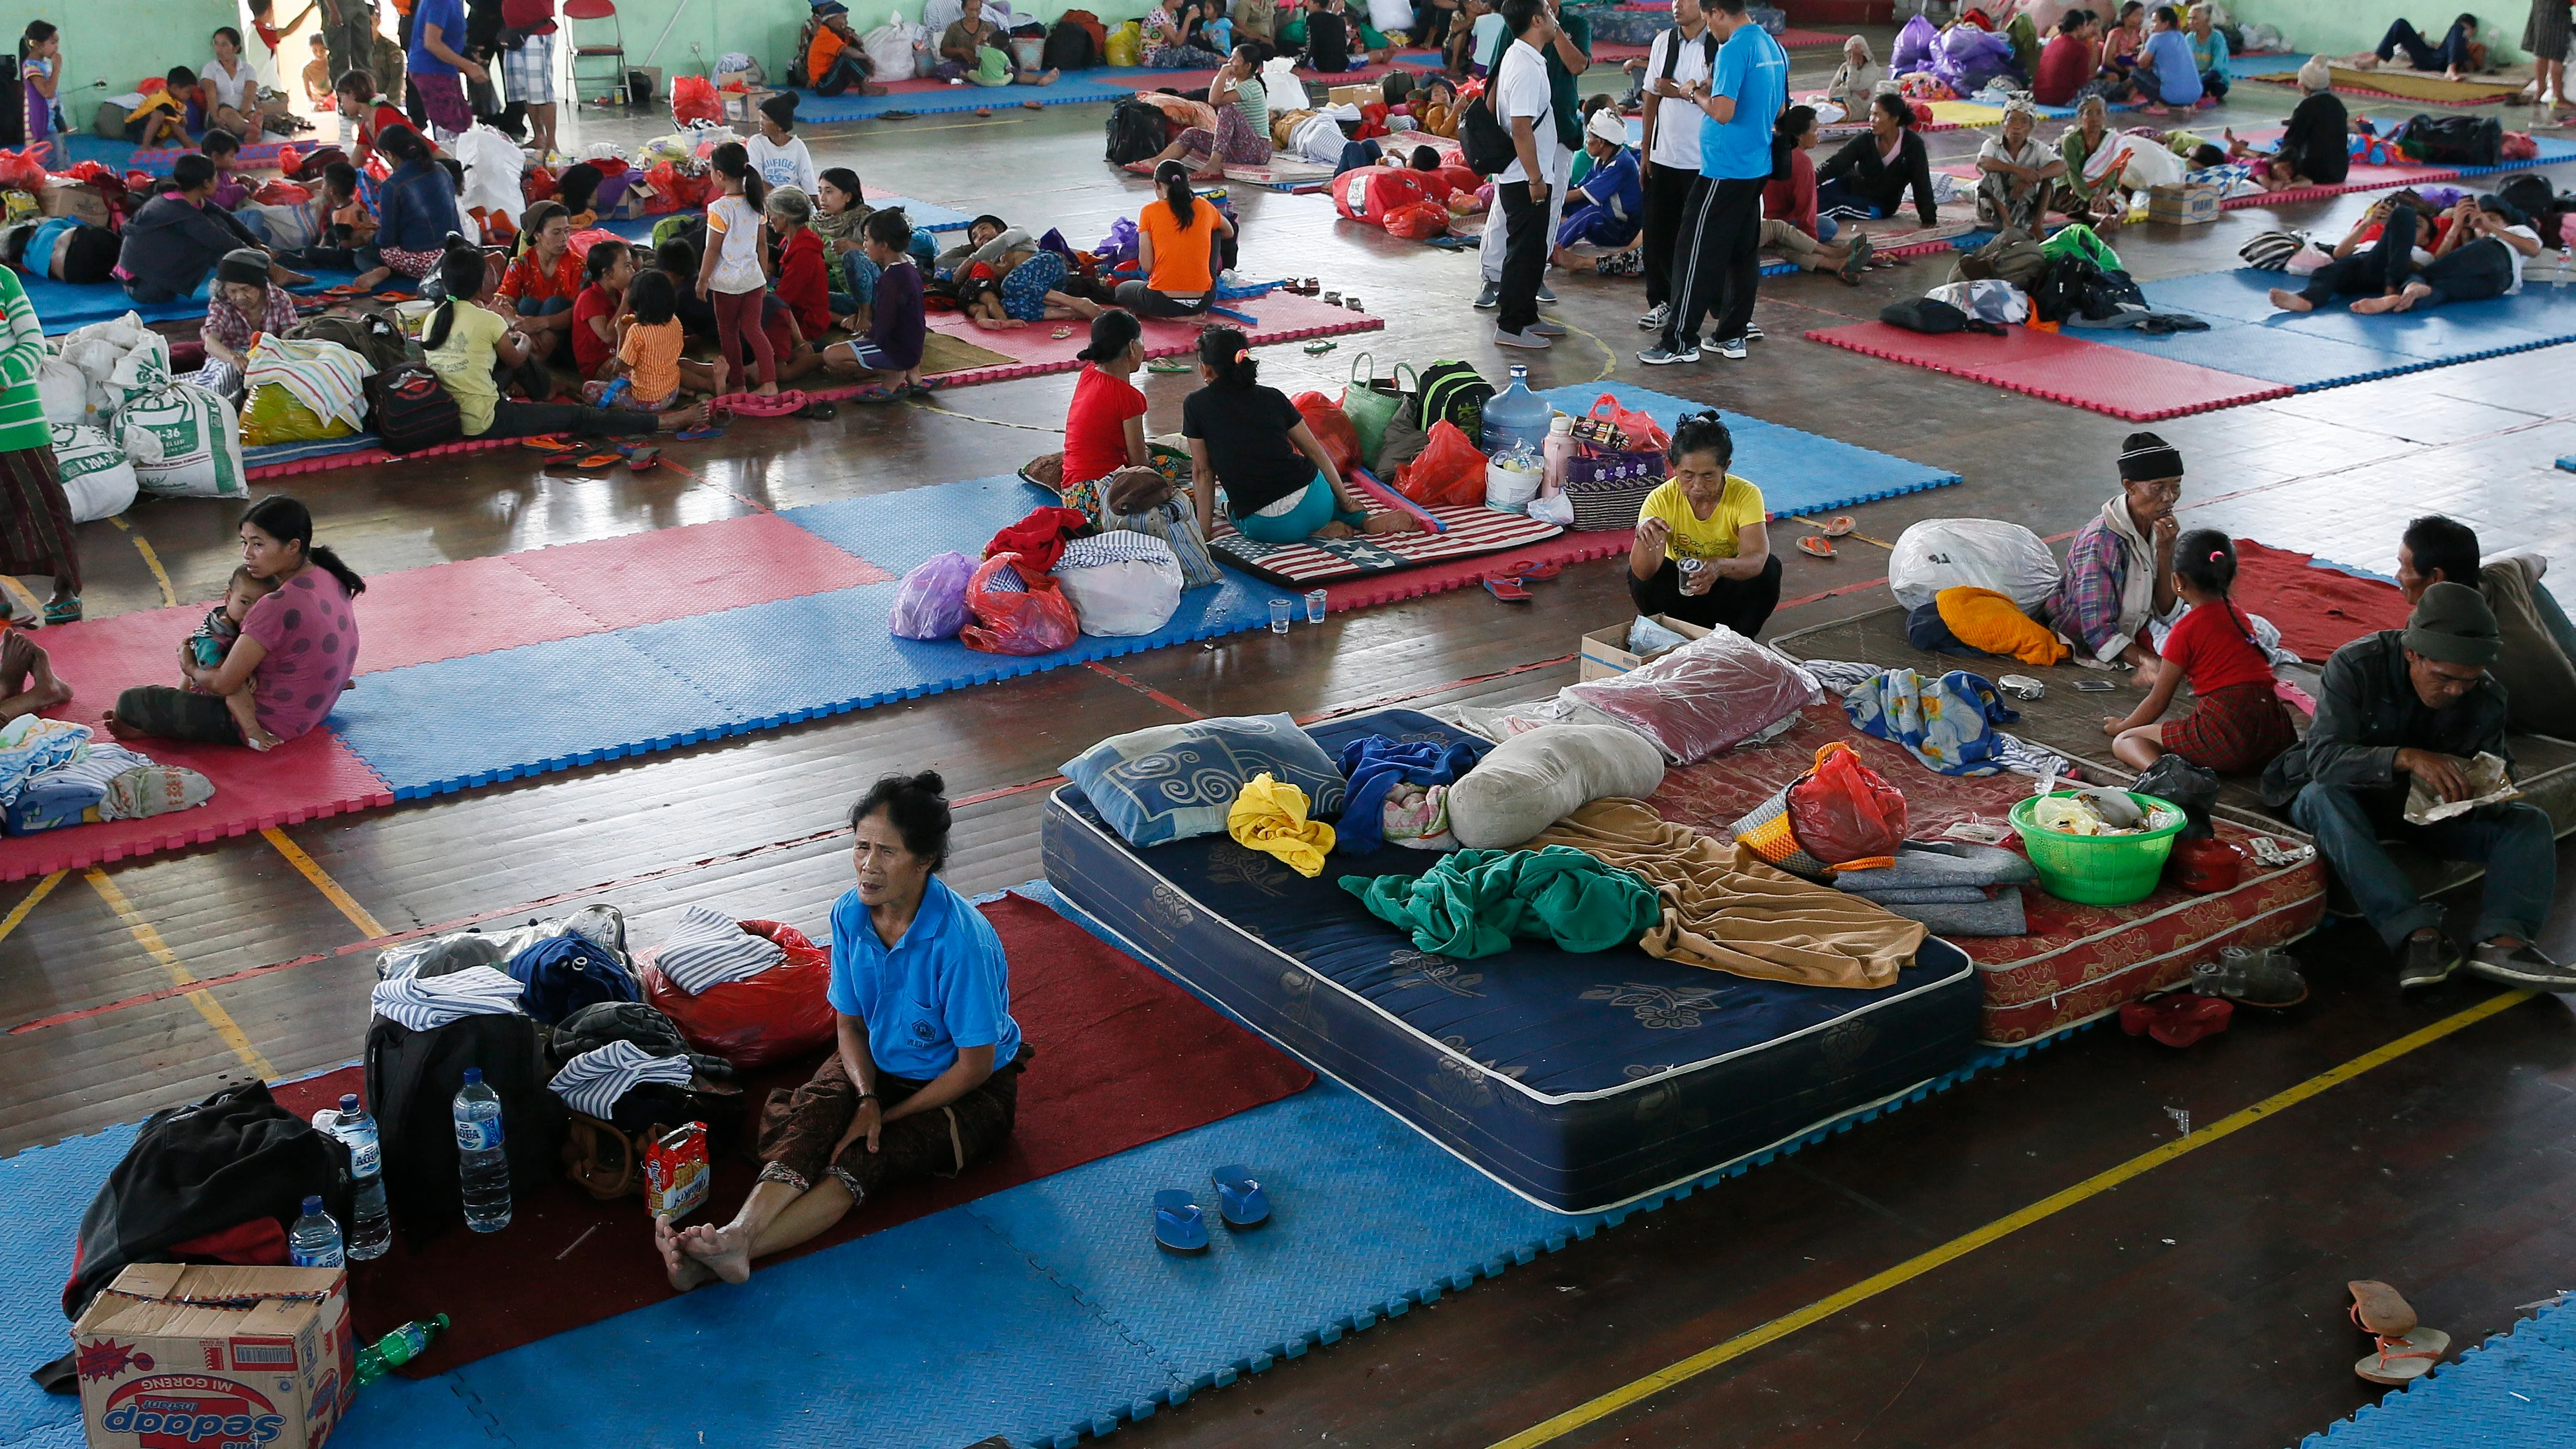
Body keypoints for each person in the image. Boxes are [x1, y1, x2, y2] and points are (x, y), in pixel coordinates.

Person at [662, 773, 1029, 1293]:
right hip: (877, 1064)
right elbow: (850, 1024)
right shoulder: (849, 913)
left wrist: (885, 1115)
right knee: (813, 1122)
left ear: (924, 861)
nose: (868, 865)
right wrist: (865, 1097)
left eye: (887, 852)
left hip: (963, 1087)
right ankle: (737, 1234)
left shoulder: (962, 943)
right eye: (861, 846)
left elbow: (973, 1066)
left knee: (864, 1154)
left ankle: (727, 1256)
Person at [2260, 582, 2576, 992]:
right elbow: (2324, 760)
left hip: (2426, 811)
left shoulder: (2484, 695)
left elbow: (2500, 771)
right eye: (2444, 677)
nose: (2454, 691)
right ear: (2412, 652)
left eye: (2467, 681)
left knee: (2527, 822)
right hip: (2347, 795)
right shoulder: (2356, 666)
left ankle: (2504, 943)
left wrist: (2489, 789)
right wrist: (2406, 757)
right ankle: (2416, 935)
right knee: (2322, 798)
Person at [106, 496, 362, 749]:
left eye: (258, 545)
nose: (247, 554)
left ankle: (150, 727)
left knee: (130, 702)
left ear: (293, 546)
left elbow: (224, 685)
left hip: (267, 722)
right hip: (315, 709)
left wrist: (189, 665)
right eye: (245, 543)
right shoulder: (327, 572)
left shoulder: (278, 604)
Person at [420, 239, 712, 438]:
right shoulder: (487, 319)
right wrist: (520, 336)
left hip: (454, 414)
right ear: (481, 282)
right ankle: (667, 421)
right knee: (579, 417)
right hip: (486, 421)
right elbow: (517, 357)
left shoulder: (435, 318)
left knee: (511, 350)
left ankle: (545, 389)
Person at [1640, 0, 1785, 366]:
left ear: (1718, 13)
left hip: (1725, 168)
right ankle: (1731, 334)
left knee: (1693, 250)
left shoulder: (1735, 47)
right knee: (1742, 251)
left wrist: (1693, 93)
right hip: (1756, 163)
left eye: (1709, 19)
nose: (1710, 28)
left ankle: (1679, 340)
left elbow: (1722, 112)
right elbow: (1780, 108)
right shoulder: (1771, 45)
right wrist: (1716, 85)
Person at [1185, 327, 1415, 545]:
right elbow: (1314, 450)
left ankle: (1316, 531)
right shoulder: (1273, 397)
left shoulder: (1196, 405)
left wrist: (1203, 534)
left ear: (1206, 369)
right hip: (1316, 502)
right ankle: (1362, 521)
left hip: (1272, 528)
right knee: (1305, 485)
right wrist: (1346, 500)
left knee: (1224, 498)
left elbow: (1203, 471)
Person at [2102, 532, 2297, 775]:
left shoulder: (2186, 629)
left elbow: (2158, 702)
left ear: (2178, 581)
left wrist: (2121, 727)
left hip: (2227, 739)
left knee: (2126, 742)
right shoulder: (2238, 616)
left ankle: (2178, 779)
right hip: (2274, 735)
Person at [2397, 515, 2576, 737]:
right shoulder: (2504, 575)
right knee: (2532, 589)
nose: (2398, 577)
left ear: (2435, 577)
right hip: (2570, 687)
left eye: (2404, 568)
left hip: (2554, 734)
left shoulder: (2430, 627)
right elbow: (2537, 560)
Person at [1474, 0, 1589, 322]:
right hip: (1522, 159)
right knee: (1513, 222)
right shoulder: (1521, 57)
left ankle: (1527, 302)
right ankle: (1505, 299)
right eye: (1547, 14)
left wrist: (1553, 29)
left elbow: (1578, 65)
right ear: (1536, 19)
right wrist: (1534, 176)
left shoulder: (1557, 36)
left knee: (1540, 225)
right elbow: (1520, 125)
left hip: (1552, 142)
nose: (1553, 14)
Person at [2044, 431, 2184, 686]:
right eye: (2158, 487)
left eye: (2175, 486)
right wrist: (2146, 661)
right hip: (2088, 636)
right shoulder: (2102, 543)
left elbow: (2165, 611)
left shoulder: (2157, 526)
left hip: (2139, 625)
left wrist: (2166, 550)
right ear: (2130, 487)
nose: (2169, 497)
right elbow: (2097, 630)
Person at [1626, 410, 1777, 635]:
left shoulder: (1746, 495)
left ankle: (1739, 642)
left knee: (1770, 570)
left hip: (1725, 591)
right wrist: (1643, 536)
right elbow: (1643, 574)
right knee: (1639, 577)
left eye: (1708, 476)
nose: (1697, 486)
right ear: (1673, 467)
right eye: (1687, 475)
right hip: (1682, 595)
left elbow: (1756, 559)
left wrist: (1718, 567)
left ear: (1725, 467)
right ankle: (1675, 633)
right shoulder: (1660, 499)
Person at [2271, 192, 2540, 314]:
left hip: (2494, 271)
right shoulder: (2469, 245)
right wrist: (2369, 223)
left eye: (2492, 217)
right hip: (2369, 265)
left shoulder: (2513, 233)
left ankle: (2397, 291)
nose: (2484, 221)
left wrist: (2487, 226)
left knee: (2431, 282)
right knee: (2329, 271)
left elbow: (2533, 249)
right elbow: (2341, 253)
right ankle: (2307, 300)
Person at [0, 264, 79, 630]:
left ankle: (66, 590)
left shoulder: (4, 279)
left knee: (47, 507)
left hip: (20, 420)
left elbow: (33, 341)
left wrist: (5, 374)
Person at [115, 157, 309, 305]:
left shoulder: (182, 196)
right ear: (206, 183)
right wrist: (264, 261)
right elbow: (223, 240)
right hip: (144, 288)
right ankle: (262, 289)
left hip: (150, 278)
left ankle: (263, 281)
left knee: (217, 223)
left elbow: (224, 216)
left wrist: (255, 243)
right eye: (216, 177)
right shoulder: (179, 210)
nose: (219, 180)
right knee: (212, 243)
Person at [1636, 0, 1715, 336]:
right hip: (1664, 155)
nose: (1676, 5)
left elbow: (1714, 91)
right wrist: (1645, 149)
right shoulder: (1664, 42)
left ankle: (1719, 309)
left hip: (1703, 159)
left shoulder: (1718, 44)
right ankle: (1662, 303)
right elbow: (1654, 93)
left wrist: (1680, 89)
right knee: (1659, 235)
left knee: (1703, 238)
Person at [697, 141, 777, 399]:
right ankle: (770, 382)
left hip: (727, 285)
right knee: (754, 329)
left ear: (719, 175)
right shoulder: (756, 204)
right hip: (753, 280)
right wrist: (763, 277)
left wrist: (702, 279)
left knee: (729, 332)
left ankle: (738, 383)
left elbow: (712, 250)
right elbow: (763, 245)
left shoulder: (720, 209)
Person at [821, 209, 927, 396]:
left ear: (883, 245)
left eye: (867, 239)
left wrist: (862, 339)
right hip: (912, 347)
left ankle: (893, 373)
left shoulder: (892, 279)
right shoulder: (908, 269)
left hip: (897, 350)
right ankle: (911, 373)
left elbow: (884, 326)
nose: (864, 245)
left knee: (831, 355)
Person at [1060, 308, 1151, 520]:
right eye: (1142, 341)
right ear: (1131, 347)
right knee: (1167, 468)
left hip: (1072, 496)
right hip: (1100, 500)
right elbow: (1140, 465)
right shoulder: (1130, 398)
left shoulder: (1088, 374)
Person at [1119, 162, 1233, 321]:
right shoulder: (1205, 206)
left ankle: (1172, 317)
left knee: (1121, 290)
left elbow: (1147, 266)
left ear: (1156, 185)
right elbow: (1229, 231)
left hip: (1161, 302)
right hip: (1204, 301)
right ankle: (1187, 310)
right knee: (1216, 230)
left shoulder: (1149, 212)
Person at [186, 569, 285, 750]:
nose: (251, 611)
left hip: (211, 677)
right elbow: (208, 662)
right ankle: (253, 731)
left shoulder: (248, 624)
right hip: (207, 682)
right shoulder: (217, 631)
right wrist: (242, 671)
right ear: (228, 597)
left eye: (260, 607)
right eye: (244, 602)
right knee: (235, 684)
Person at [349, 124, 457, 290]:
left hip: (426, 260)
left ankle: (379, 270)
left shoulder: (392, 186)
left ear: (390, 155)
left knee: (363, 255)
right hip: (455, 253)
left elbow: (387, 239)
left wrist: (372, 238)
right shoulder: (442, 170)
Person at [1815, 91, 1937, 227]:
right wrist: (1809, 182)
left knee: (1837, 206)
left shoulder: (1913, 146)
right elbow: (1836, 164)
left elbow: (1921, 182)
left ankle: (1800, 224)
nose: (1871, 120)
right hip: (1852, 188)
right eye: (1871, 114)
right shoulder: (1866, 139)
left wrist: (1929, 219)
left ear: (1894, 119)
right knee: (1815, 196)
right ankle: (1792, 219)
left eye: (1877, 115)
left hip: (1878, 204)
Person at [1150, 45, 1271, 178]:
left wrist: (1224, 72)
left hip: (1258, 150)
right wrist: (1223, 75)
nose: (1230, 62)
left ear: (1247, 66)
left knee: (1227, 109)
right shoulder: (1234, 83)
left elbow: (1215, 100)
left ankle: (1214, 164)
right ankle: (1157, 162)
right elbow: (1213, 97)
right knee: (1192, 134)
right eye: (1231, 57)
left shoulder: (1252, 86)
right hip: (1240, 148)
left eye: (1235, 59)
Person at [194, 249, 298, 400]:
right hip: (227, 359)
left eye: (246, 289)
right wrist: (234, 359)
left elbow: (292, 339)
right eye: (233, 291)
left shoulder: (279, 299)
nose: (240, 297)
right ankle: (208, 404)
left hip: (269, 357)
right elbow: (210, 342)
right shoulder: (222, 302)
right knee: (228, 375)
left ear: (260, 286)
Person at [493, 199, 581, 372]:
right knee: (528, 304)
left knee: (555, 304)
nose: (564, 239)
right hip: (530, 337)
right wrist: (516, 322)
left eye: (567, 231)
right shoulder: (521, 264)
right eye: (556, 232)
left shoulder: (577, 266)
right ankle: (533, 364)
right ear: (537, 236)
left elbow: (580, 312)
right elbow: (498, 304)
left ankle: (531, 368)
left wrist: (542, 323)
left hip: (565, 344)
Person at [1975, 98, 2066, 233]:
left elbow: (2062, 166)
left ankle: (2037, 226)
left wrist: (2035, 177)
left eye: (2024, 122)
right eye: (2012, 121)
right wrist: (2019, 171)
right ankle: (2008, 226)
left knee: (2048, 181)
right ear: (2003, 125)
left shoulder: (2037, 148)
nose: (2017, 127)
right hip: (1994, 209)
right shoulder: (1992, 144)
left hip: (2025, 205)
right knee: (1991, 175)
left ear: (2031, 128)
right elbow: (1983, 163)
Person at [1557, 108, 1643, 250]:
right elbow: (1579, 189)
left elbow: (1581, 195)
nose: (1587, 141)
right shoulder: (1601, 160)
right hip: (1611, 220)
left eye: (1589, 136)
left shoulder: (1621, 164)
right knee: (1564, 200)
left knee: (1592, 214)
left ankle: (1549, 248)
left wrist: (1550, 197)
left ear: (1601, 142)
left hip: (1625, 231)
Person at [2267, 56, 2351, 187]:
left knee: (2267, 165)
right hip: (2339, 172)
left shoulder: (2306, 106)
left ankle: (2298, 181)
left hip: (2315, 172)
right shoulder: (2338, 105)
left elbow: (2292, 143)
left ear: (2303, 85)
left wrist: (2275, 160)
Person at [407, 0, 485, 140]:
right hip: (430, 70)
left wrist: (468, 54)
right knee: (450, 129)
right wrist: (468, 66)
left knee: (464, 120)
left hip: (445, 69)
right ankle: (448, 159)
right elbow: (431, 43)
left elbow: (448, 35)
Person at [2054, 94, 2128, 229]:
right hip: (2071, 188)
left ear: (2105, 116)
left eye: (2099, 113)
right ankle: (2103, 218)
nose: (2094, 118)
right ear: (2081, 117)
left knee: (2112, 202)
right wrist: (2090, 197)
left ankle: (2105, 217)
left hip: (2099, 189)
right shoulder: (2071, 141)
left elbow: (2113, 171)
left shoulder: (2111, 140)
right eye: (2089, 113)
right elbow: (2073, 175)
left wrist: (2103, 195)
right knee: (2076, 203)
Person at [499, 0, 560, 161]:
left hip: (537, 32)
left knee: (542, 91)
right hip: (514, 33)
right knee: (526, 91)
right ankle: (539, 136)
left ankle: (551, 141)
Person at [570, 237, 631, 383]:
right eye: (627, 266)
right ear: (608, 273)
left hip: (621, 355)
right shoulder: (589, 298)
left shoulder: (618, 294)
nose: (633, 271)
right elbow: (609, 336)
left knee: (668, 360)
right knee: (652, 367)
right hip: (598, 367)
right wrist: (627, 301)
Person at [2356, 13, 2482, 79]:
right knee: (2401, 24)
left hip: (2444, 63)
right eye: (2462, 29)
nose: (2463, 32)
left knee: (2457, 28)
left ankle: (2451, 70)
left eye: (2466, 29)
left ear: (2474, 31)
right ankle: (2375, 60)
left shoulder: (2476, 46)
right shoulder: (2450, 39)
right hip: (2429, 57)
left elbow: (2472, 66)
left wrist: (2465, 49)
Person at [2131, 4, 2205, 112]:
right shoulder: (2181, 36)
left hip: (2173, 96)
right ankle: (2183, 106)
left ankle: (2159, 105)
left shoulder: (2156, 38)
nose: (2151, 25)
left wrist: (2144, 41)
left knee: (2135, 73)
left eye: (2155, 22)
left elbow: (2141, 64)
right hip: (2195, 95)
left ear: (2166, 24)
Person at [202, 28, 262, 137]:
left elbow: (249, 96)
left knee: (253, 116)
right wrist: (216, 118)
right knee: (229, 115)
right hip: (221, 112)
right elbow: (211, 96)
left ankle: (250, 129)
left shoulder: (248, 69)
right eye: (216, 44)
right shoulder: (210, 68)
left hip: (245, 111)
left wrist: (241, 117)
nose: (219, 49)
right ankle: (250, 128)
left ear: (236, 48)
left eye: (224, 45)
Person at [19, 23, 63, 165]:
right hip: (43, 127)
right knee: (52, 170)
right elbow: (48, 92)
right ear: (37, 45)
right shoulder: (31, 66)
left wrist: (60, 120)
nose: (56, 46)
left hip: (52, 125)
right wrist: (57, 69)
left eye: (57, 42)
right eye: (53, 42)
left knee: (63, 164)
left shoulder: (43, 64)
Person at [2032, 9, 2095, 106]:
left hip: (2039, 97)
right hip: (2062, 99)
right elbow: (2081, 81)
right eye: (2085, 26)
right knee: (2100, 89)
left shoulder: (2051, 44)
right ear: (2079, 28)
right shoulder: (2080, 48)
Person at [125, 69, 196, 149]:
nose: (190, 96)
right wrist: (190, 144)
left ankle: (157, 144)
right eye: (188, 92)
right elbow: (174, 126)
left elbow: (179, 125)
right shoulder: (163, 100)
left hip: (149, 131)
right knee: (159, 115)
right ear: (175, 88)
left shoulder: (178, 103)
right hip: (135, 129)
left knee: (182, 121)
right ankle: (145, 147)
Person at [1144, 0, 1227, 66]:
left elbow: (1176, 44)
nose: (1183, 1)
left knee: (1195, 60)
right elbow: (1177, 42)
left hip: (1167, 52)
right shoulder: (1159, 13)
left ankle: (1224, 65)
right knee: (1188, 51)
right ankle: (1226, 60)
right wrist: (1188, 18)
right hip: (1153, 57)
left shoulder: (1173, 14)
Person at [1825, 32, 1880, 118]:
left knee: (1829, 114)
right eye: (1850, 55)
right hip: (1839, 102)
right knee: (1812, 99)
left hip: (1856, 109)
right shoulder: (1844, 67)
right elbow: (1831, 92)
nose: (1851, 58)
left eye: (1854, 54)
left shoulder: (1873, 70)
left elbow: (1851, 85)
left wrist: (1853, 65)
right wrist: (1854, 91)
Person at [2530, 0, 2571, 115]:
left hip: (2541, 6)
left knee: (2542, 49)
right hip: (2556, 8)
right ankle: (2558, 98)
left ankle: (2540, 91)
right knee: (2556, 53)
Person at [2182, 3, 2229, 100]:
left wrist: (2197, 82)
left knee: (2214, 83)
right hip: (2195, 80)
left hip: (2215, 79)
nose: (2190, 22)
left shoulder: (2217, 38)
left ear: (2206, 20)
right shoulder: (2189, 38)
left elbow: (2217, 69)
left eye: (2195, 18)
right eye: (2189, 18)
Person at [199, 129, 253, 212]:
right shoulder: (205, 175)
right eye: (231, 156)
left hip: (226, 214)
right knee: (255, 214)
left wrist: (239, 181)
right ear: (216, 156)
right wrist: (239, 189)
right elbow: (216, 201)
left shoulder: (222, 172)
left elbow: (225, 189)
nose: (235, 160)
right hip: (213, 217)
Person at [302, 34, 334, 111]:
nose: (319, 54)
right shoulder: (307, 70)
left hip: (336, 102)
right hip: (320, 104)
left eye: (322, 50)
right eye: (315, 51)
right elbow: (308, 94)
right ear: (310, 50)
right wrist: (314, 106)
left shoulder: (334, 64)